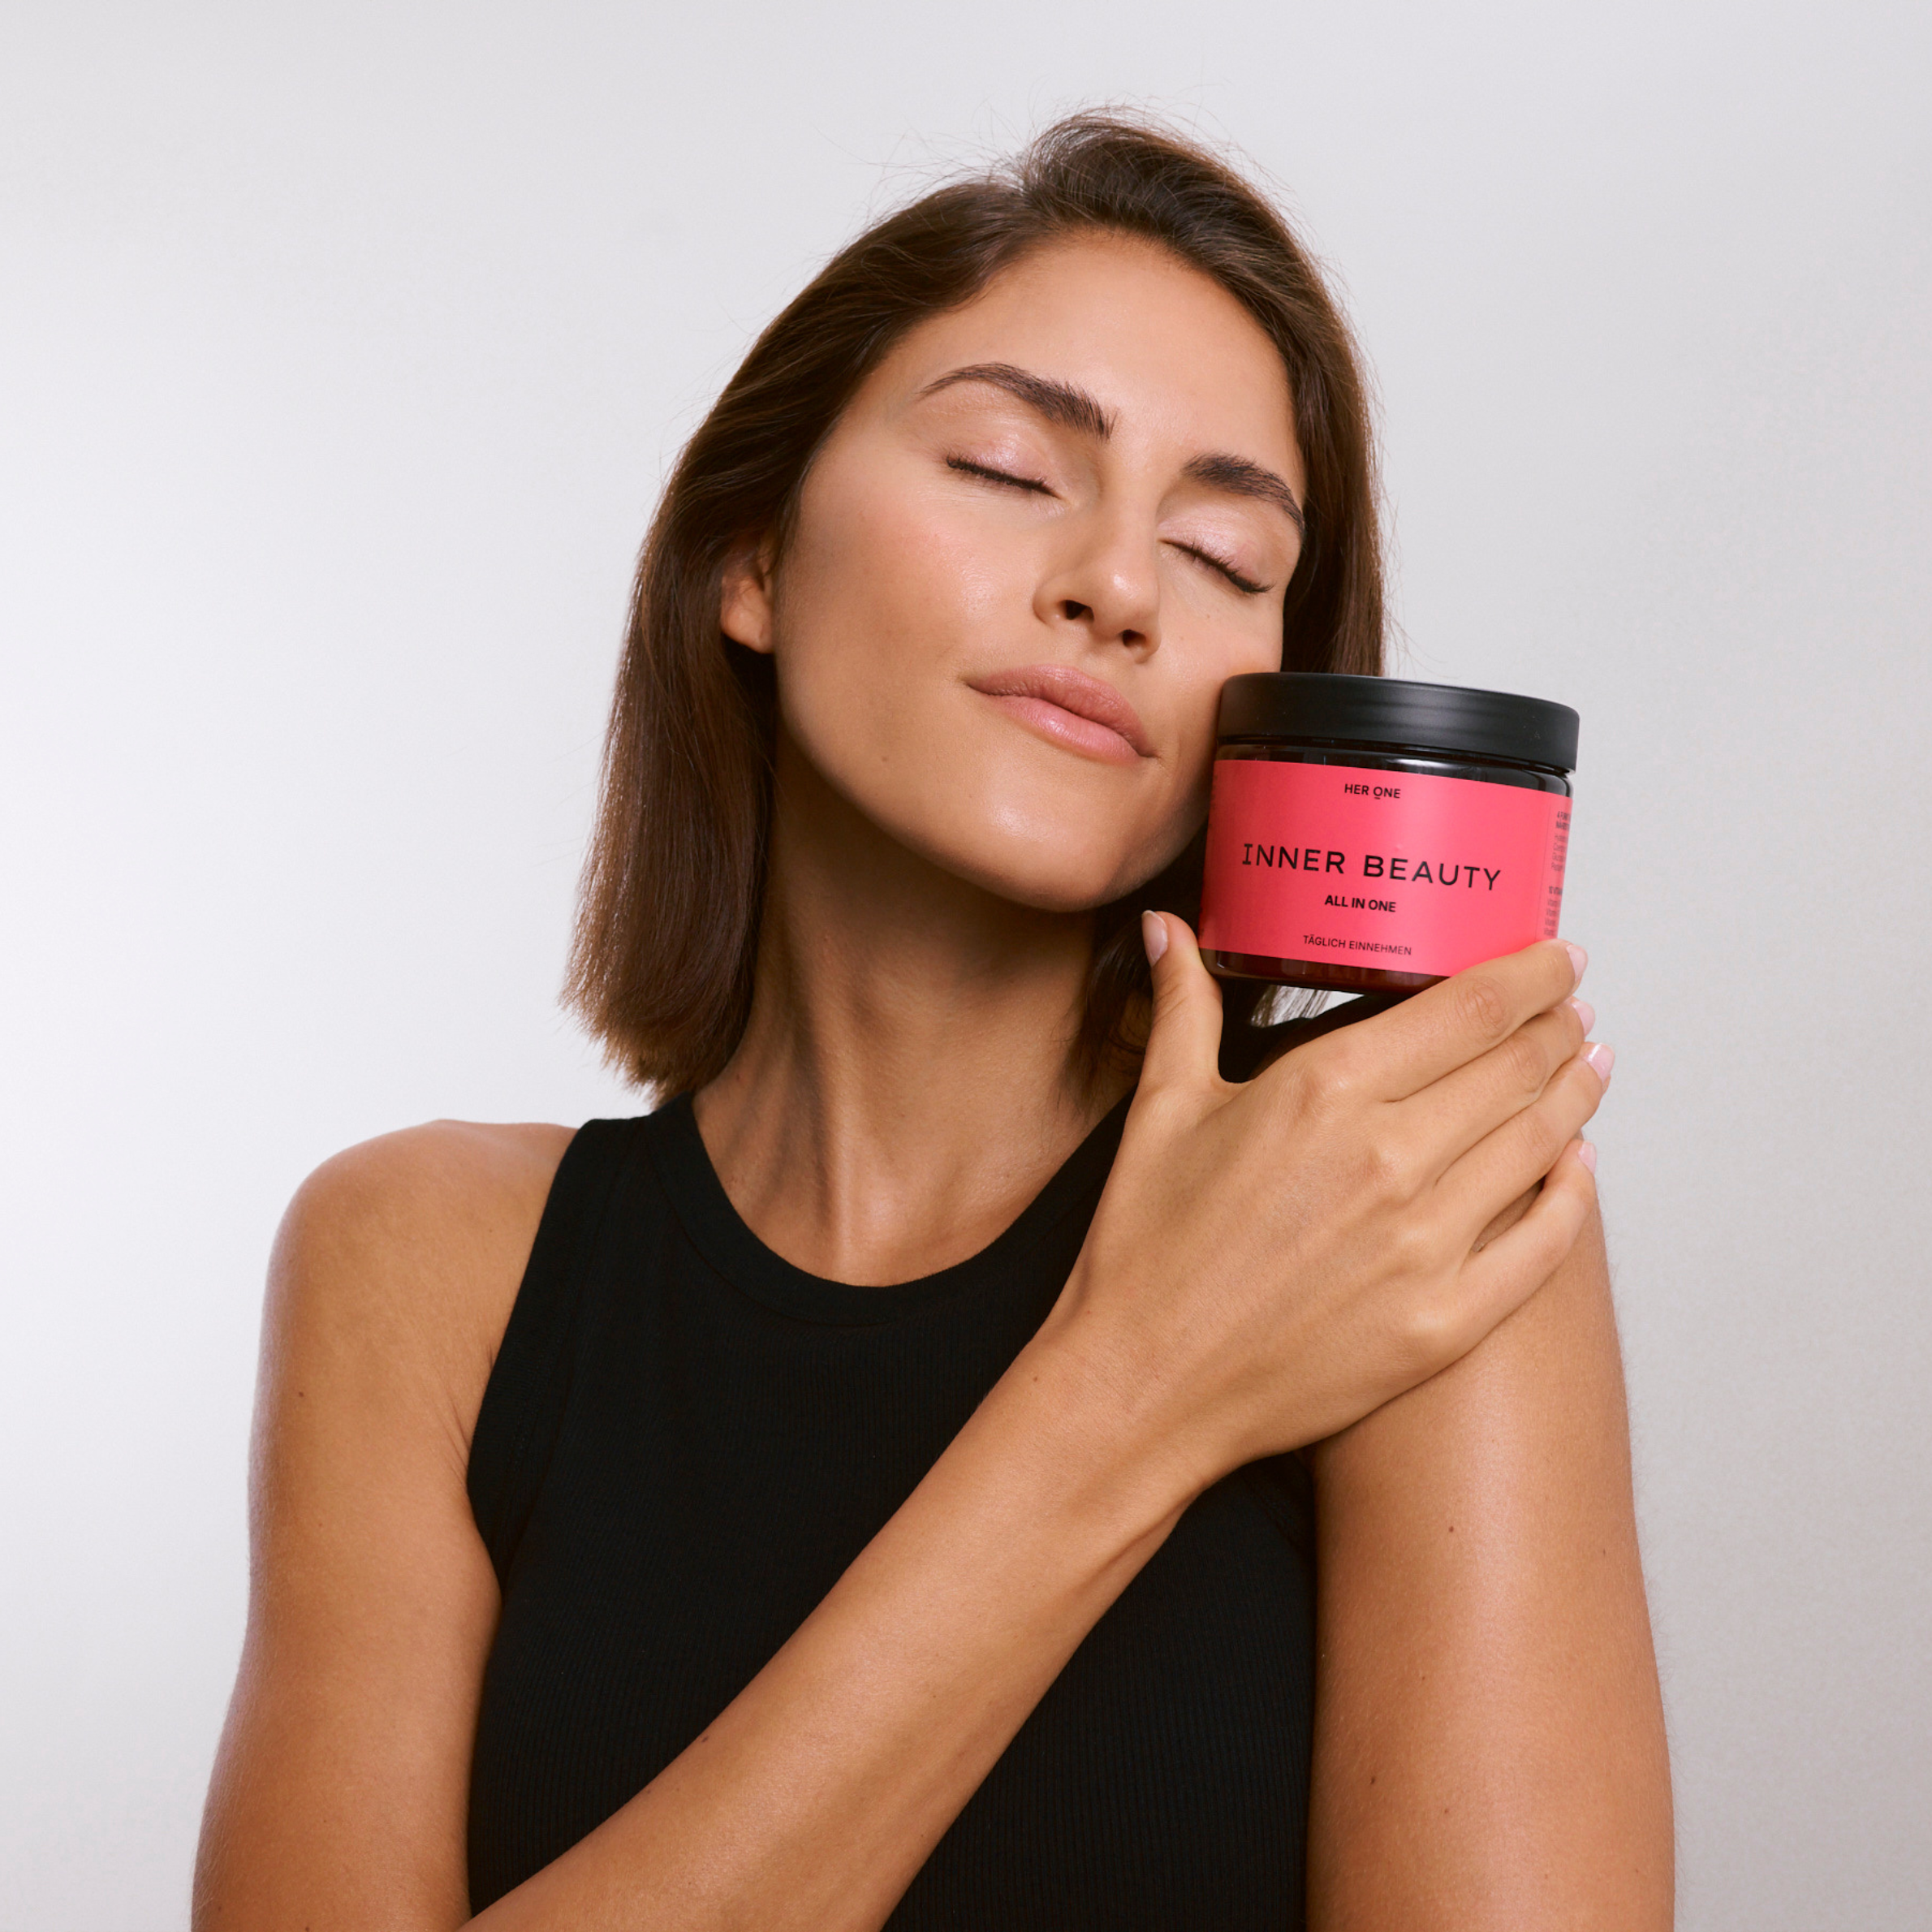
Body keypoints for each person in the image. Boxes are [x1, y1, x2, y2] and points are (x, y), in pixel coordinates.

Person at [193, 114, 1671, 1930]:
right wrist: (1134, 1388)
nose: (1118, 587)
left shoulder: (1390, 1210)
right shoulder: (422, 1266)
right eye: (1005, 466)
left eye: (1222, 555)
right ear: (751, 556)